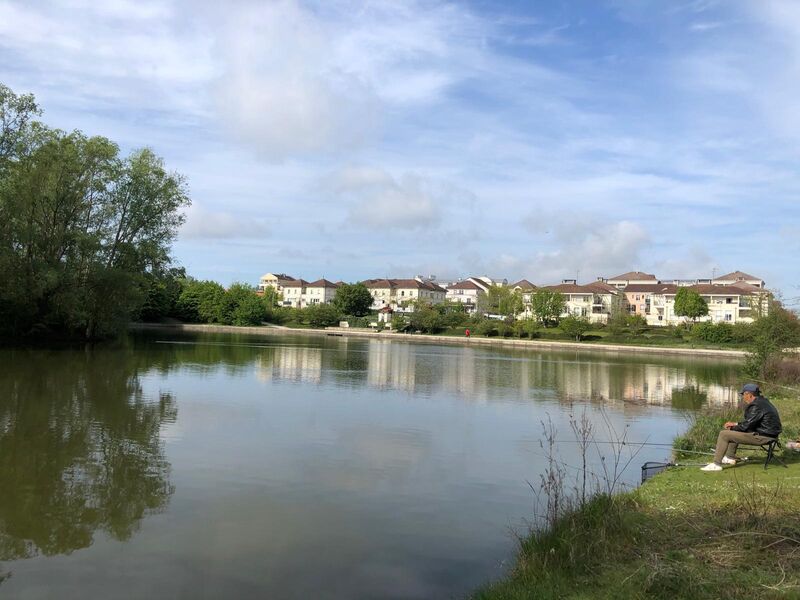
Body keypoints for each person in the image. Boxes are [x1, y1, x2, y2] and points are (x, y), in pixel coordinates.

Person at [700, 383, 782, 472]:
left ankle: (716, 464)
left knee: (724, 434)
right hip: (769, 434)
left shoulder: (755, 406)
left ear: (749, 394)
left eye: (743, 394)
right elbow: (751, 422)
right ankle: (730, 457)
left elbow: (745, 427)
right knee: (733, 431)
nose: (743, 397)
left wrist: (733, 428)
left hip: (763, 437)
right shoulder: (764, 402)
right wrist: (735, 424)